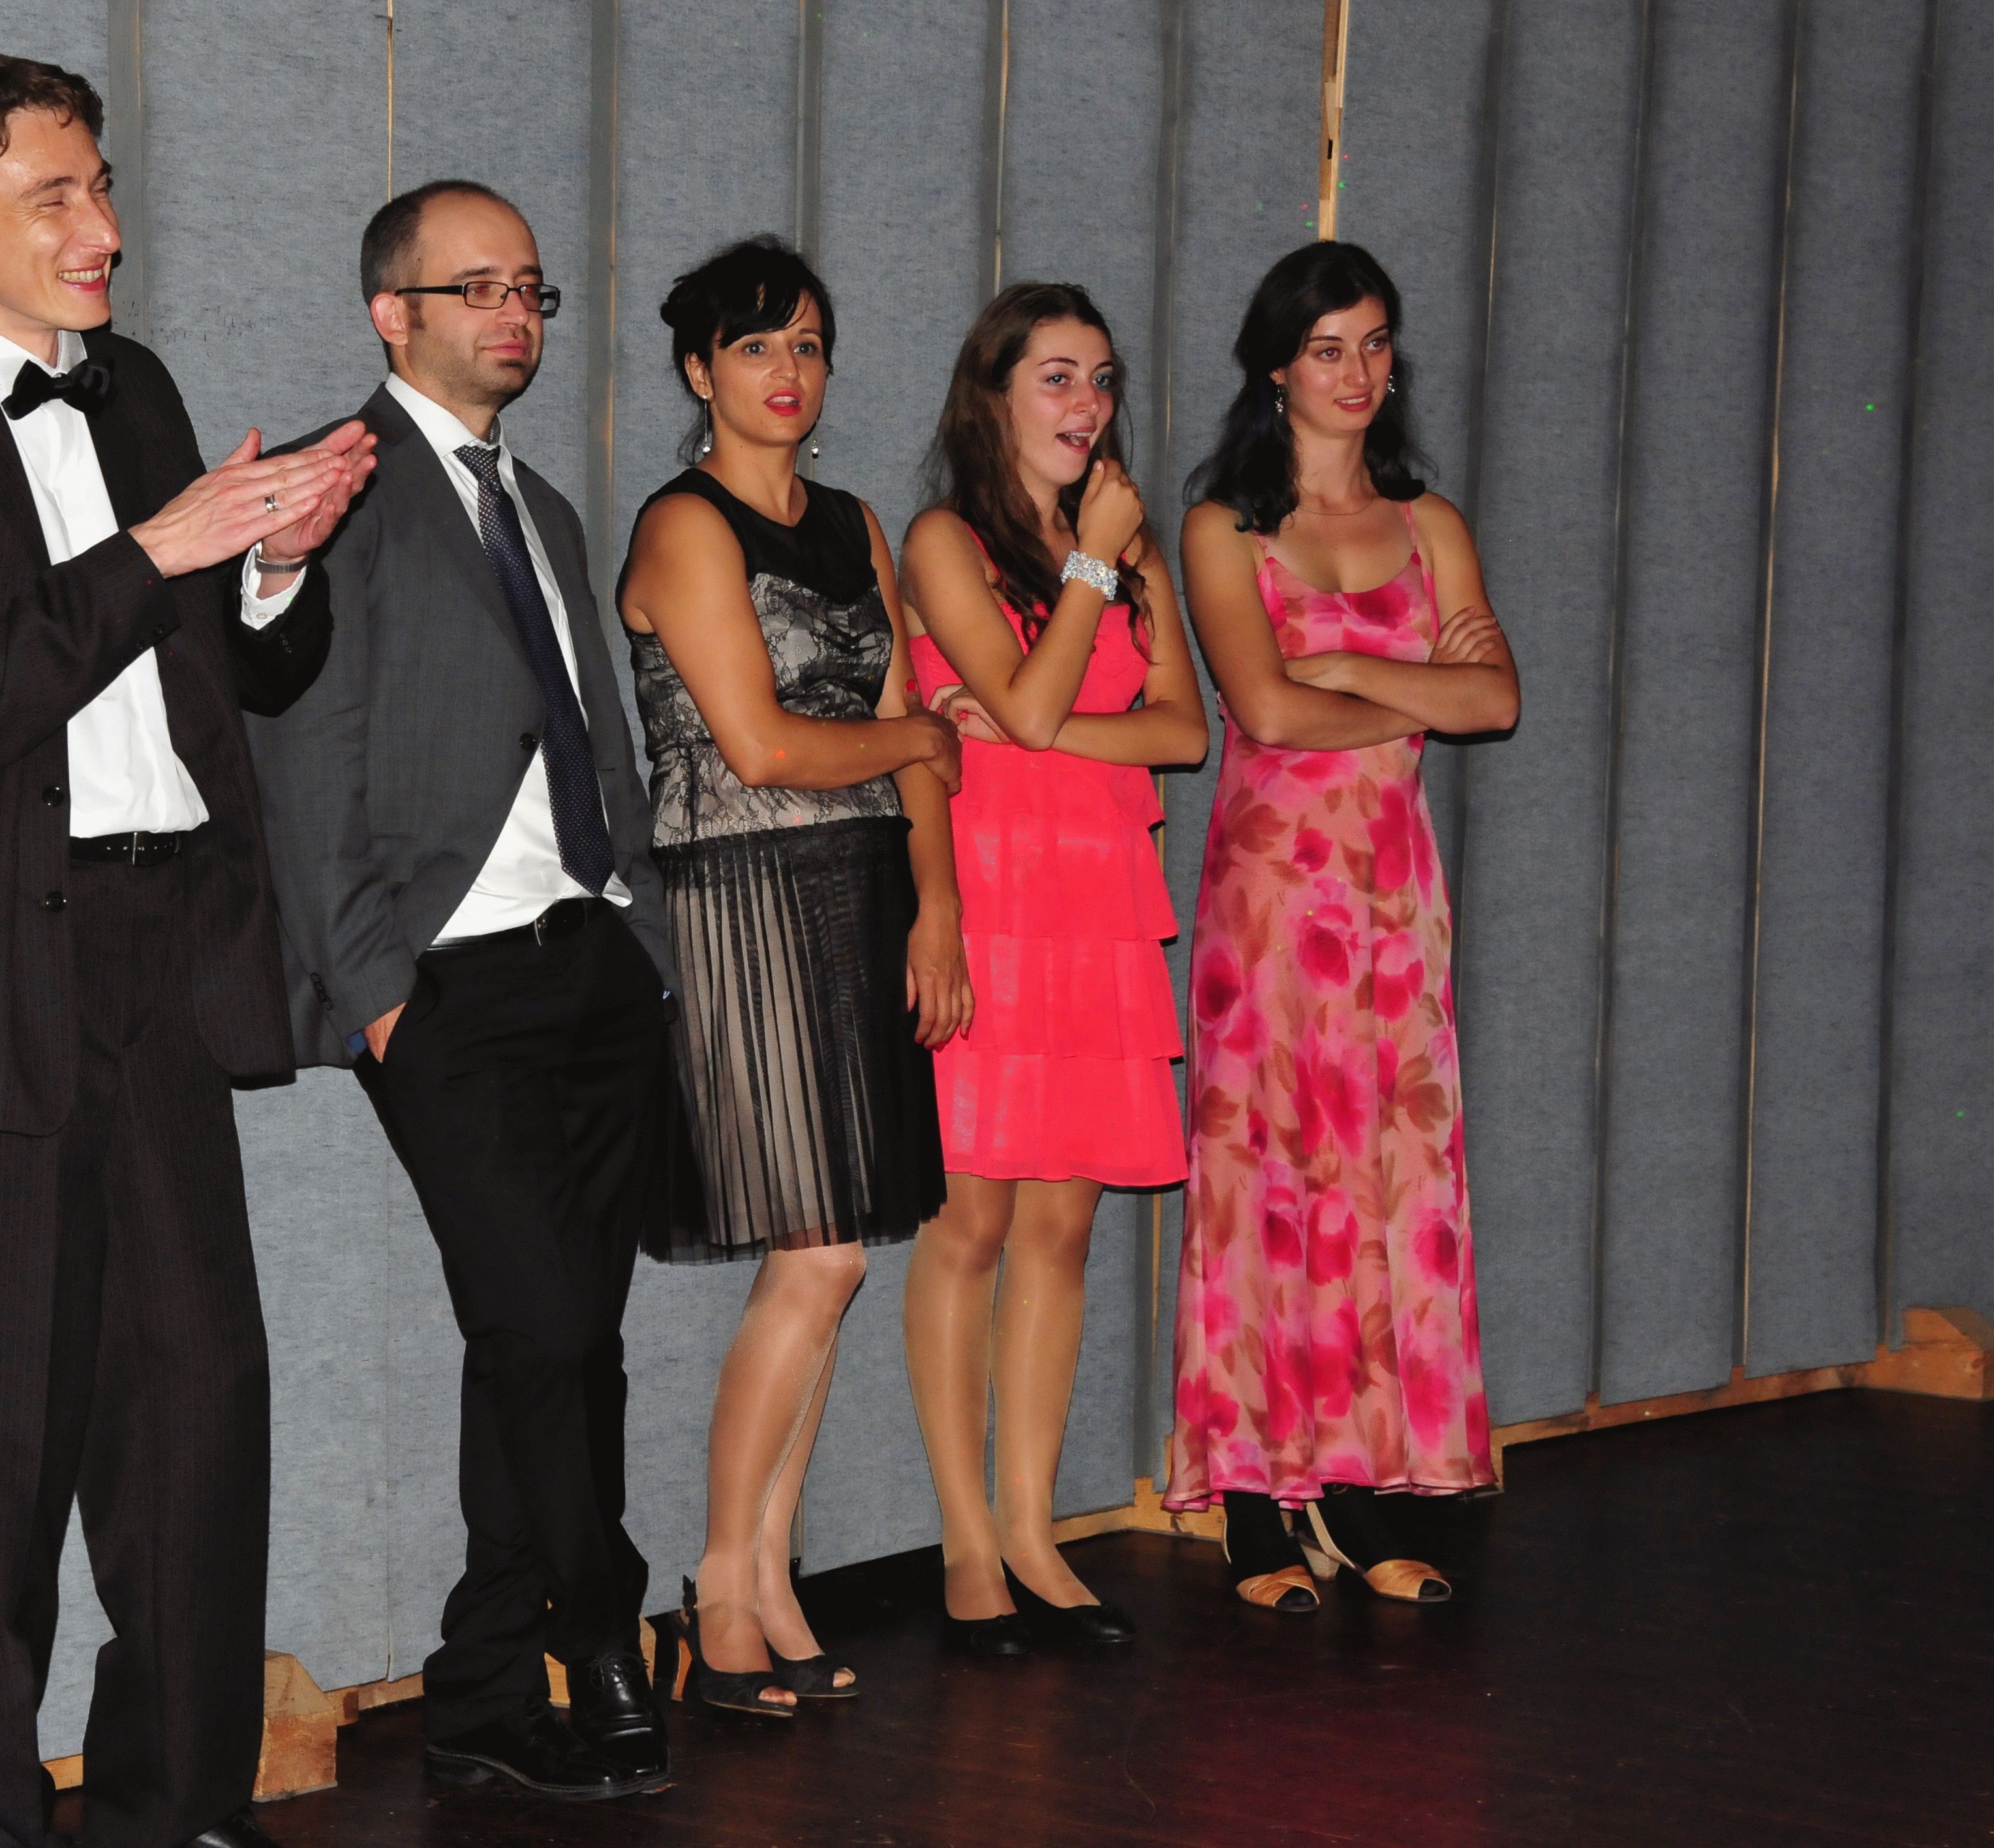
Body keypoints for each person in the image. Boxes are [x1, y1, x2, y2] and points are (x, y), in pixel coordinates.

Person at [0, 55, 372, 1848]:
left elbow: (232, 673)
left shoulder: (140, 389)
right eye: (56, 197)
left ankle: (176, 1802)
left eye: (101, 185)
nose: (104, 226)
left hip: (164, 950)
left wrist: (268, 570)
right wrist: (157, 547)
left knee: (197, 1407)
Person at [247, 180, 678, 1801]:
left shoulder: (542, 506)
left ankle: (485, 1690)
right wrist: (377, 993)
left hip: (594, 969)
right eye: (477, 287)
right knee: (542, 1324)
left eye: (531, 290)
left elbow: (596, 740)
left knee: (554, 1347)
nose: (515, 316)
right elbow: (298, 757)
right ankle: (604, 1627)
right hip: (446, 989)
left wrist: (643, 932)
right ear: (393, 312)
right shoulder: (333, 485)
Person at [616, 239, 966, 1716]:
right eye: (756, 346)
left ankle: (769, 1575)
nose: (787, 371)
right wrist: (913, 743)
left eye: (808, 344)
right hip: (741, 901)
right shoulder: (682, 524)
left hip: (862, 894)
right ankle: (716, 1581)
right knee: (818, 1260)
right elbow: (761, 747)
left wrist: (939, 908)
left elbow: (910, 721)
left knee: (827, 1264)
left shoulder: (856, 522)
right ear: (700, 370)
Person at [1168, 241, 1518, 1609]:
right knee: (1268, 1177)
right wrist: (1406, 679)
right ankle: (1260, 1502)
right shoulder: (1223, 529)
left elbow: (1494, 702)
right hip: (1271, 900)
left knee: (1383, 1177)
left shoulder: (1431, 525)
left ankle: (1363, 1489)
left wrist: (1339, 663)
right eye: (1328, 349)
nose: (1357, 371)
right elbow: (1264, 711)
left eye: (1375, 343)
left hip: (1390, 894)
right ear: (1276, 367)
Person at [898, 283, 1208, 1654]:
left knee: (1061, 1232)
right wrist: (1085, 578)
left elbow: (1182, 733)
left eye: (1102, 379)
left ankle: (1034, 1528)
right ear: (994, 394)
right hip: (986, 903)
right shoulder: (944, 541)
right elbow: (1029, 700)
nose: (1086, 404)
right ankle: (968, 1541)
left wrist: (1037, 717)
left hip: (1096, 902)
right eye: (1057, 377)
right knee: (967, 1227)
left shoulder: (1127, 550)